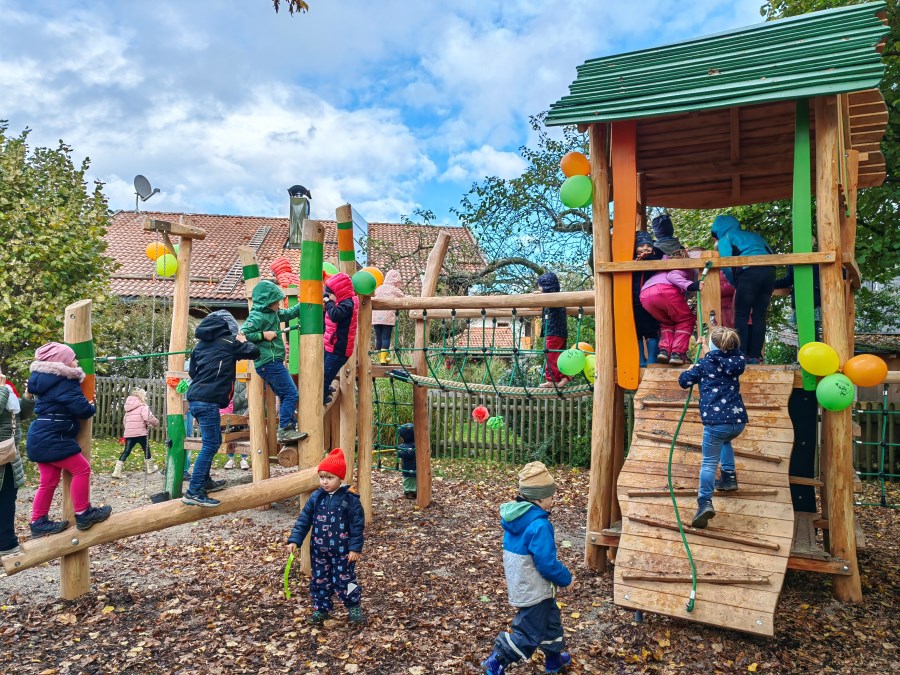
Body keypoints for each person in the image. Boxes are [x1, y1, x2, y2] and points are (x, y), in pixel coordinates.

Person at [481, 461, 573, 674]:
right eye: (550, 496)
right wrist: (566, 578)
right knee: (528, 634)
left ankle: (554, 660)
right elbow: (547, 564)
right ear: (539, 498)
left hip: (524, 583)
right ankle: (497, 660)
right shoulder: (539, 525)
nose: (552, 501)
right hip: (535, 589)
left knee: (551, 623)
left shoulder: (517, 518)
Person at [26, 343, 112, 535]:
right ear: (62, 363)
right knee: (82, 469)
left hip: (40, 434)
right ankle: (83, 513)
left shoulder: (44, 380)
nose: (76, 362)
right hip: (54, 436)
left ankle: (38, 522)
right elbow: (82, 410)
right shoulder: (64, 381)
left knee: (48, 481)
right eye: (72, 359)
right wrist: (90, 404)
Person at [184, 313, 260, 507]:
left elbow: (193, 372)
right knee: (211, 444)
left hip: (196, 399)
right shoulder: (229, 342)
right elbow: (253, 351)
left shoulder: (199, 347)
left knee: (211, 442)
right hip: (208, 401)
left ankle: (205, 481)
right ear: (226, 329)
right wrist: (242, 340)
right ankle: (194, 491)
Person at [677, 327, 748, 529]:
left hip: (716, 422)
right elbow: (718, 358)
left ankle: (704, 502)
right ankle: (729, 477)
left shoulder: (704, 364)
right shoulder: (737, 361)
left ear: (715, 346)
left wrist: (690, 369)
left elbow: (684, 382)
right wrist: (706, 348)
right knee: (725, 441)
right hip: (737, 422)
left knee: (708, 463)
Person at [286, 448, 366, 625]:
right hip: (319, 551)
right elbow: (304, 519)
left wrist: (354, 548)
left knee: (346, 580)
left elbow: (357, 525)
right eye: (322, 477)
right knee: (320, 580)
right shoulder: (316, 497)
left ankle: (354, 606)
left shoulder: (350, 499)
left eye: (330, 478)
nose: (324, 481)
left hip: (343, 552)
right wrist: (294, 540)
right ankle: (321, 609)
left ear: (340, 478)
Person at [241, 281, 305, 443]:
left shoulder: (273, 313)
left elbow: (289, 313)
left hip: (271, 363)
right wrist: (263, 335)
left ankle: (288, 427)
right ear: (267, 303)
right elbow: (243, 335)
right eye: (276, 302)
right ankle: (285, 430)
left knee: (285, 395)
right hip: (268, 362)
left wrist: (306, 302)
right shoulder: (257, 316)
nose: (278, 304)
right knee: (291, 393)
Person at [710, 215, 775, 363]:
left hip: (748, 273)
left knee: (741, 314)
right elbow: (770, 252)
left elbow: (726, 264)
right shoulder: (755, 236)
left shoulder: (726, 238)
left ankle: (741, 354)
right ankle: (755, 356)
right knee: (759, 315)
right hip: (770, 271)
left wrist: (735, 283)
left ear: (718, 230)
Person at [639, 237, 703, 366]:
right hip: (665, 290)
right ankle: (677, 353)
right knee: (686, 319)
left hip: (645, 295)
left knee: (667, 323)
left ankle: (664, 351)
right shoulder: (684, 265)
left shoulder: (666, 264)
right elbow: (672, 276)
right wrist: (691, 285)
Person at [0, 369, 31, 555]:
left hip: (9, 456)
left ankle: (6, 542)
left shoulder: (7, 391)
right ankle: (6, 544)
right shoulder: (3, 390)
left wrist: (28, 396)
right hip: (3, 455)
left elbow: (21, 414)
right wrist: (2, 389)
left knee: (7, 498)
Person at [323, 273, 360, 406]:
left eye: (330, 294)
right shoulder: (343, 302)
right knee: (324, 370)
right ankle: (325, 388)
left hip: (339, 349)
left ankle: (321, 395)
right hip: (332, 345)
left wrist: (329, 302)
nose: (329, 297)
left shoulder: (348, 304)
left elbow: (335, 315)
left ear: (338, 293)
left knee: (326, 373)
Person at [113, 387, 160, 478]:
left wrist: (128, 430)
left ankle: (117, 471)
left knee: (126, 451)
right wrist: (155, 423)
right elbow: (147, 417)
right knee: (146, 450)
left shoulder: (128, 409)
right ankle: (150, 468)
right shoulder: (143, 407)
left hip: (130, 434)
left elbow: (125, 421)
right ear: (142, 397)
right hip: (141, 433)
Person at [633, 232, 661, 367]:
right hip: (634, 301)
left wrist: (649, 257)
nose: (645, 248)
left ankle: (651, 359)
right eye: (641, 246)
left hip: (650, 302)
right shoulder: (632, 260)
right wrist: (637, 261)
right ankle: (640, 359)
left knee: (651, 329)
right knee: (636, 330)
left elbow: (660, 257)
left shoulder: (655, 257)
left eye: (648, 246)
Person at [537, 272, 569, 388]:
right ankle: (559, 377)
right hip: (559, 332)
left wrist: (539, 295)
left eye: (540, 287)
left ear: (547, 286)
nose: (539, 289)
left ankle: (558, 378)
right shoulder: (556, 297)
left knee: (551, 355)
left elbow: (540, 299)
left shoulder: (551, 298)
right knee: (556, 355)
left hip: (554, 332)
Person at [371, 269, 405, 364]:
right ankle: (383, 358)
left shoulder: (379, 288)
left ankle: (380, 358)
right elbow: (403, 298)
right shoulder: (394, 290)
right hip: (387, 317)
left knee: (378, 337)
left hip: (376, 317)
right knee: (386, 337)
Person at [223, 381, 250, 470]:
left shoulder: (247, 382)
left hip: (245, 411)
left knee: (245, 436)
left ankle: (244, 458)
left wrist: (245, 415)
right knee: (230, 435)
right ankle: (230, 458)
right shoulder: (230, 381)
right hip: (231, 412)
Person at [396, 423, 416, 499]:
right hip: (415, 467)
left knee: (409, 480)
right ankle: (414, 491)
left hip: (408, 467)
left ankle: (409, 492)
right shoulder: (416, 444)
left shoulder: (406, 446)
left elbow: (407, 454)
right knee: (413, 480)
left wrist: (399, 453)